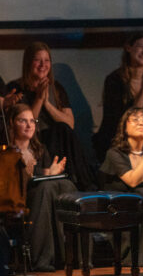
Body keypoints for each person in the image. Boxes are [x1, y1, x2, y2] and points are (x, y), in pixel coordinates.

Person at [6, 41, 96, 190]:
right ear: (29, 62)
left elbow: (70, 123)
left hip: (58, 138)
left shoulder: (56, 87)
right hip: (33, 138)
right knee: (58, 131)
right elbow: (26, 125)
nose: (43, 65)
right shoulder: (15, 88)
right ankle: (82, 184)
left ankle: (81, 184)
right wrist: (39, 99)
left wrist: (47, 104)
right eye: (37, 60)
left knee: (62, 129)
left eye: (47, 60)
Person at [8, 103, 77, 272]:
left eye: (32, 120)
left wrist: (52, 173)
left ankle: (74, 257)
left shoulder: (39, 150)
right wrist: (45, 172)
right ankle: (42, 259)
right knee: (46, 189)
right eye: (23, 121)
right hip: (22, 199)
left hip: (46, 196)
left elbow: (47, 180)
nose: (29, 125)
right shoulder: (7, 151)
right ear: (12, 123)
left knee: (66, 185)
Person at [98, 107, 143, 265]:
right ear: (124, 127)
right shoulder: (115, 153)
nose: (142, 123)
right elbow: (133, 181)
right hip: (121, 208)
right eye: (136, 119)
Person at [93, 33, 143, 163]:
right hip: (117, 137)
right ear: (129, 48)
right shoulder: (114, 80)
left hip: (142, 137)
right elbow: (129, 117)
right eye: (141, 47)